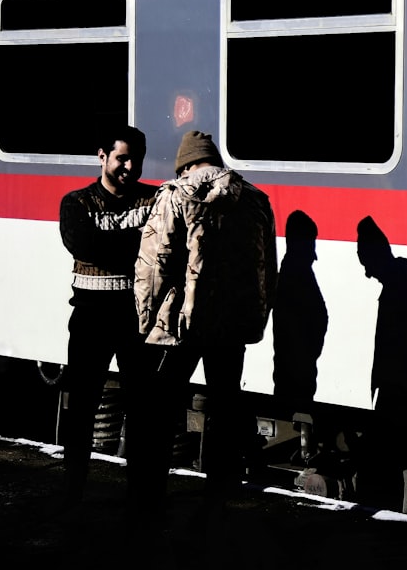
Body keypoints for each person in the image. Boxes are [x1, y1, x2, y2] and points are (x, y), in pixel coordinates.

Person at [132, 130, 277, 522]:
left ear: (186, 164)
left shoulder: (175, 195)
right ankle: (218, 492)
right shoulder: (256, 200)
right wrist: (256, 318)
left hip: (180, 324)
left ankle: (150, 495)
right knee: (224, 405)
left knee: (161, 409)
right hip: (233, 327)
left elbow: (154, 266)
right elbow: (269, 270)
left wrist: (146, 322)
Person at [55, 125, 157, 511]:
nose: (130, 166)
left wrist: (120, 246)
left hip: (135, 318)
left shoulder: (154, 198)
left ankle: (140, 497)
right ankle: (72, 492)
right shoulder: (76, 202)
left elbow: (167, 243)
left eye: (136, 159)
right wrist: (140, 245)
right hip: (91, 318)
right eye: (122, 158)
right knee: (82, 405)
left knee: (142, 409)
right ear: (102, 156)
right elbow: (84, 246)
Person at [356, 215, 407, 515]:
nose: (366, 272)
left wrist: (384, 384)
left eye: (365, 261)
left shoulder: (398, 284)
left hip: (398, 388)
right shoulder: (405, 278)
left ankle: (403, 523)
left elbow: (392, 343)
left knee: (403, 457)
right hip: (403, 386)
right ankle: (406, 517)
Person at [272, 210, 329, 464]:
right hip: (297, 360)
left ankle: (302, 444)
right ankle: (304, 447)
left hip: (295, 359)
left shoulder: (291, 268)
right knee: (300, 403)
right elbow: (315, 315)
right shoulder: (297, 271)